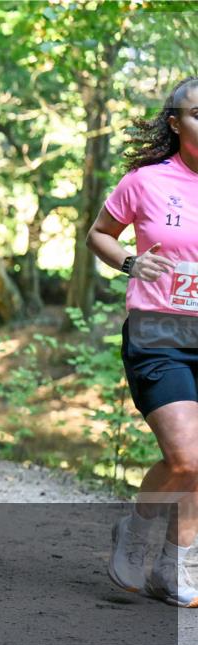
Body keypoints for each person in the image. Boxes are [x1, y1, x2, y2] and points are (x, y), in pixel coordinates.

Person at [89, 77, 198, 608]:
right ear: (175, 123)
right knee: (186, 455)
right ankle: (137, 530)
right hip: (161, 329)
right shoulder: (146, 181)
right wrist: (130, 261)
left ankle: (175, 567)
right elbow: (99, 234)